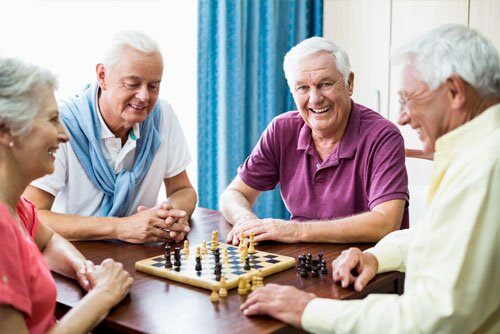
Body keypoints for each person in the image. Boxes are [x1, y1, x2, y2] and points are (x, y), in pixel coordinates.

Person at [240, 24, 500, 333]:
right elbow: (439, 236)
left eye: (408, 99)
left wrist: (308, 309)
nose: (402, 116)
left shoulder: (486, 165)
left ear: (454, 92)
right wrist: (378, 256)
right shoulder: (476, 151)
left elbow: (436, 318)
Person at [221, 37, 409, 245]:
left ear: (349, 84)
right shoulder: (281, 129)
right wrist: (246, 221)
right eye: (302, 87)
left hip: (368, 265)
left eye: (325, 84)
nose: (315, 98)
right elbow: (235, 193)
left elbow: (386, 222)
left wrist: (296, 231)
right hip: (304, 261)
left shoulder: (383, 136)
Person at [23, 31, 197, 244]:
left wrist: (167, 217)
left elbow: (183, 189)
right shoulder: (60, 124)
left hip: (139, 256)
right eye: (132, 84)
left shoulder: (163, 115)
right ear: (102, 76)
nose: (144, 96)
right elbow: (32, 216)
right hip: (74, 259)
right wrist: (120, 227)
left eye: (153, 86)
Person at [0, 57, 133, 333]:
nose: (64, 134)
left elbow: (47, 241)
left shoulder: (17, 206)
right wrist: (103, 295)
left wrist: (83, 268)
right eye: (52, 119)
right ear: (6, 130)